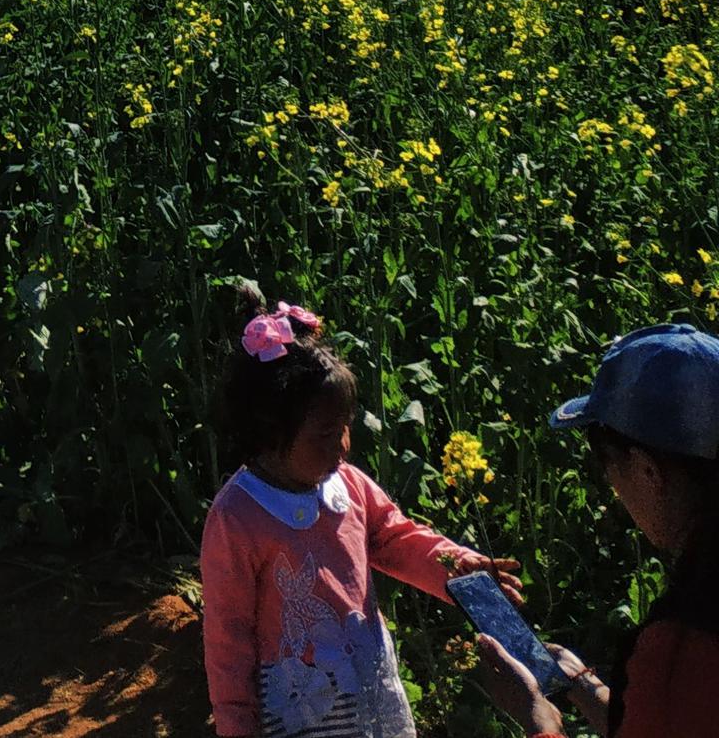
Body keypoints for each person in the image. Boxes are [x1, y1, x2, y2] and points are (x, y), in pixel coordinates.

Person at [200, 289, 515, 735]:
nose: (343, 445)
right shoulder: (238, 517)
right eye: (326, 433)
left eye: (345, 427)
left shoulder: (348, 483)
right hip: (301, 712)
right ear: (270, 432)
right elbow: (227, 639)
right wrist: (236, 723)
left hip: (371, 692)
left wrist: (463, 572)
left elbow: (398, 538)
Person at [476, 324, 719, 736]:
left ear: (647, 470)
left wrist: (539, 720)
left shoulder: (682, 647)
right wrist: (587, 689)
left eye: (607, 466)